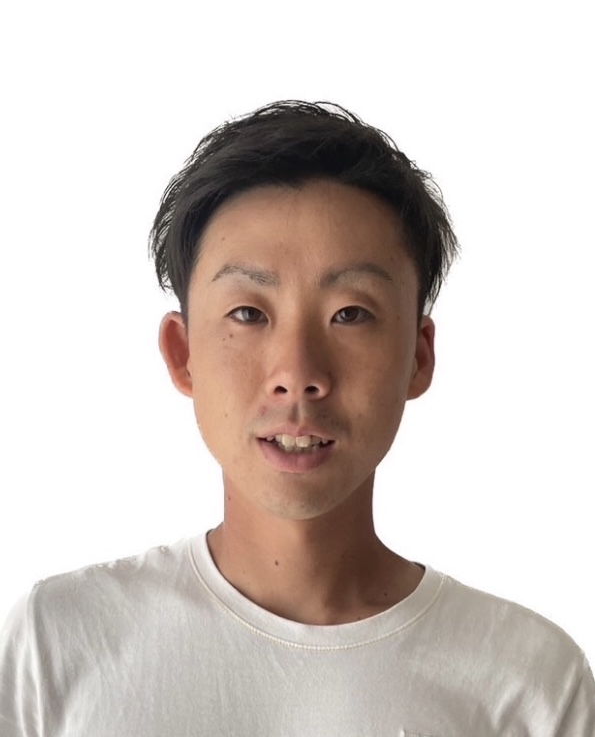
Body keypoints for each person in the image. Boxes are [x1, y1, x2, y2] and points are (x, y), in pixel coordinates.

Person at [1, 100, 593, 736]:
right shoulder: (60, 644)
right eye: (249, 314)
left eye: (350, 314)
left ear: (418, 357)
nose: (298, 372)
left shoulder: (528, 682)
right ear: (182, 353)